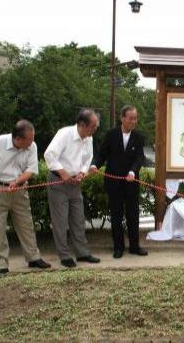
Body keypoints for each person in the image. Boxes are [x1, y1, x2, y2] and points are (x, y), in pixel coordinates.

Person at [0, 120, 51, 274]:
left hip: (19, 189)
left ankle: (33, 258)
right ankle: (1, 264)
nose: (32, 142)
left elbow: (30, 170)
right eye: (29, 138)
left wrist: (18, 181)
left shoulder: (32, 146)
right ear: (18, 138)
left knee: (26, 224)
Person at [44, 109, 101, 268]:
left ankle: (82, 253)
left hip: (75, 183)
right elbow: (49, 154)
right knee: (60, 221)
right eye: (93, 125)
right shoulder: (64, 134)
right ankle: (64, 255)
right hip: (58, 182)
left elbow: (87, 158)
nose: (96, 128)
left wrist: (82, 173)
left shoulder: (88, 138)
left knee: (78, 218)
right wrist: (64, 174)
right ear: (82, 124)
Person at [89, 105, 147, 258]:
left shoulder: (139, 137)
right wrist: (95, 164)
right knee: (116, 215)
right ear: (122, 118)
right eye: (131, 118)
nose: (133, 121)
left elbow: (139, 158)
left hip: (131, 182)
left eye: (135, 118)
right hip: (113, 183)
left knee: (133, 216)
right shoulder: (111, 134)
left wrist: (133, 171)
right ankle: (118, 247)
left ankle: (134, 246)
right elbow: (101, 154)